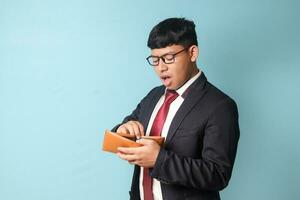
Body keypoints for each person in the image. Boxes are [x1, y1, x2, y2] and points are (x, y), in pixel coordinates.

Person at [111, 17, 240, 200]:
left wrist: (159, 160)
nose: (161, 68)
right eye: (155, 60)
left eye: (169, 58)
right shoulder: (153, 96)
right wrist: (123, 130)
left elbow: (218, 174)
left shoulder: (220, 106)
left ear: (192, 53)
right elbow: (125, 128)